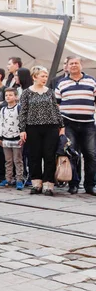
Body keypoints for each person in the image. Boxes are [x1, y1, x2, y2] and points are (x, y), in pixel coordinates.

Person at [19, 66, 64, 196]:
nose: (45, 78)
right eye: (42, 76)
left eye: (46, 76)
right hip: (32, 127)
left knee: (49, 156)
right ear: (34, 77)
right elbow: (23, 112)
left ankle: (48, 185)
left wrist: (61, 126)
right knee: (35, 156)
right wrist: (22, 129)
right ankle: (36, 183)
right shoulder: (26, 92)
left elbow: (56, 109)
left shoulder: (50, 91)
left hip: (51, 127)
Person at [55, 56, 96, 195]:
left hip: (88, 124)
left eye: (76, 63)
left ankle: (90, 185)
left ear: (81, 65)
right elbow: (57, 105)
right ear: (67, 66)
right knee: (72, 154)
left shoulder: (91, 81)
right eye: (71, 63)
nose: (73, 65)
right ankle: (73, 184)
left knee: (91, 154)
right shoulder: (61, 83)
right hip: (69, 124)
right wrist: (60, 126)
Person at [0, 88, 24, 190]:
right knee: (8, 160)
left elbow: (22, 122)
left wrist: (22, 134)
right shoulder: (3, 110)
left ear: (16, 97)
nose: (8, 97)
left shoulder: (19, 108)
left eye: (10, 95)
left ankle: (19, 179)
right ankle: (8, 179)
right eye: (6, 95)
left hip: (16, 138)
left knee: (18, 160)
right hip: (6, 138)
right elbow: (0, 123)